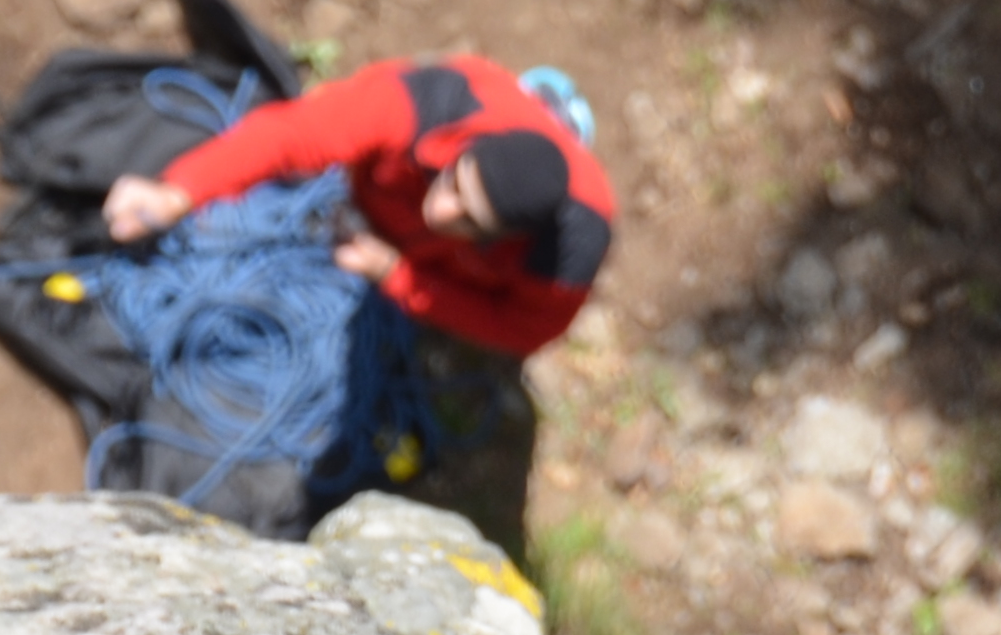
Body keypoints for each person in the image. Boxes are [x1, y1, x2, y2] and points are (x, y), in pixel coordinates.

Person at [98, 50, 618, 545]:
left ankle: (557, 124)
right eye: (454, 182)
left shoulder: (570, 251)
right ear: (465, 148)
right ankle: (546, 113)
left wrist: (397, 276)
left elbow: (518, 329)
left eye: (470, 219)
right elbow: (294, 134)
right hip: (376, 205)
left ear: (509, 235)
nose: (444, 211)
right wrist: (177, 193)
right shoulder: (429, 102)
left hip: (419, 261)